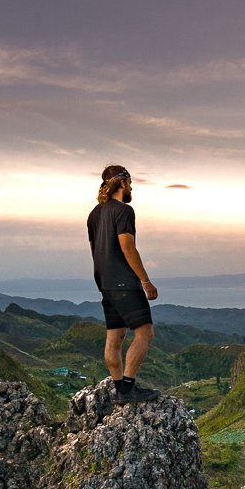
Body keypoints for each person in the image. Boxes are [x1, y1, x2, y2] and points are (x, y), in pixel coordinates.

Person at [87, 164, 161, 405]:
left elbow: (95, 251)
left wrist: (103, 279)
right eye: (130, 183)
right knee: (145, 333)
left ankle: (120, 389)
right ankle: (128, 389)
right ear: (122, 182)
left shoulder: (94, 214)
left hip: (105, 282)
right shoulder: (124, 211)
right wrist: (145, 281)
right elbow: (127, 247)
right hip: (124, 282)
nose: (132, 187)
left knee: (115, 336)